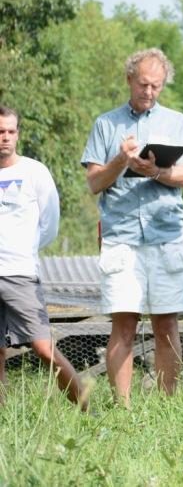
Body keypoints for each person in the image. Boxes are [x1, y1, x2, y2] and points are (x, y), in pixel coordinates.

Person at [82, 49, 183, 404]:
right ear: (129, 80)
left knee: (166, 324)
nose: (149, 91)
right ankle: (123, 409)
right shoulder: (106, 124)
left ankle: (167, 405)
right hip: (122, 237)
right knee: (124, 326)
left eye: (157, 86)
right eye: (144, 84)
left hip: (166, 234)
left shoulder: (176, 121)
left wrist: (156, 172)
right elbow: (94, 183)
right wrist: (120, 160)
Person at [0, 106, 89, 410]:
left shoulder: (34, 172)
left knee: (43, 347)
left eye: (11, 131)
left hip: (20, 273)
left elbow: (49, 224)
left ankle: (86, 410)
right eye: (0, 132)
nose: (5, 138)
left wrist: (24, 249)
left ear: (18, 134)